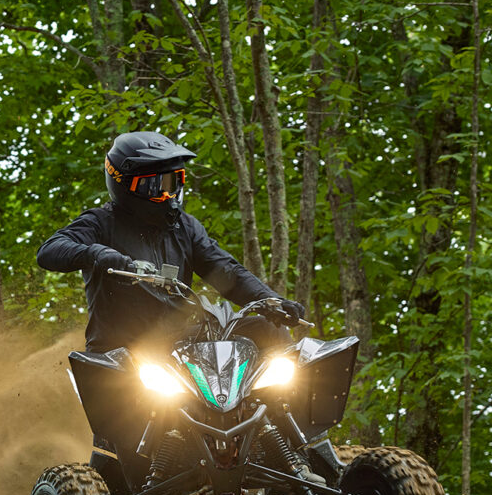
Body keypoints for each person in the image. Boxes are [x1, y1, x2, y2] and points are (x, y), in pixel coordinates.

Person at [36, 131, 307, 354]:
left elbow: (227, 271)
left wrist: (271, 300)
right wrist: (97, 253)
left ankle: (279, 412)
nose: (169, 193)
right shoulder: (101, 222)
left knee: (271, 329)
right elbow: (49, 251)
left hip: (181, 344)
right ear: (125, 183)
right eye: (157, 185)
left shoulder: (185, 227)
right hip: (121, 350)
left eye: (175, 181)